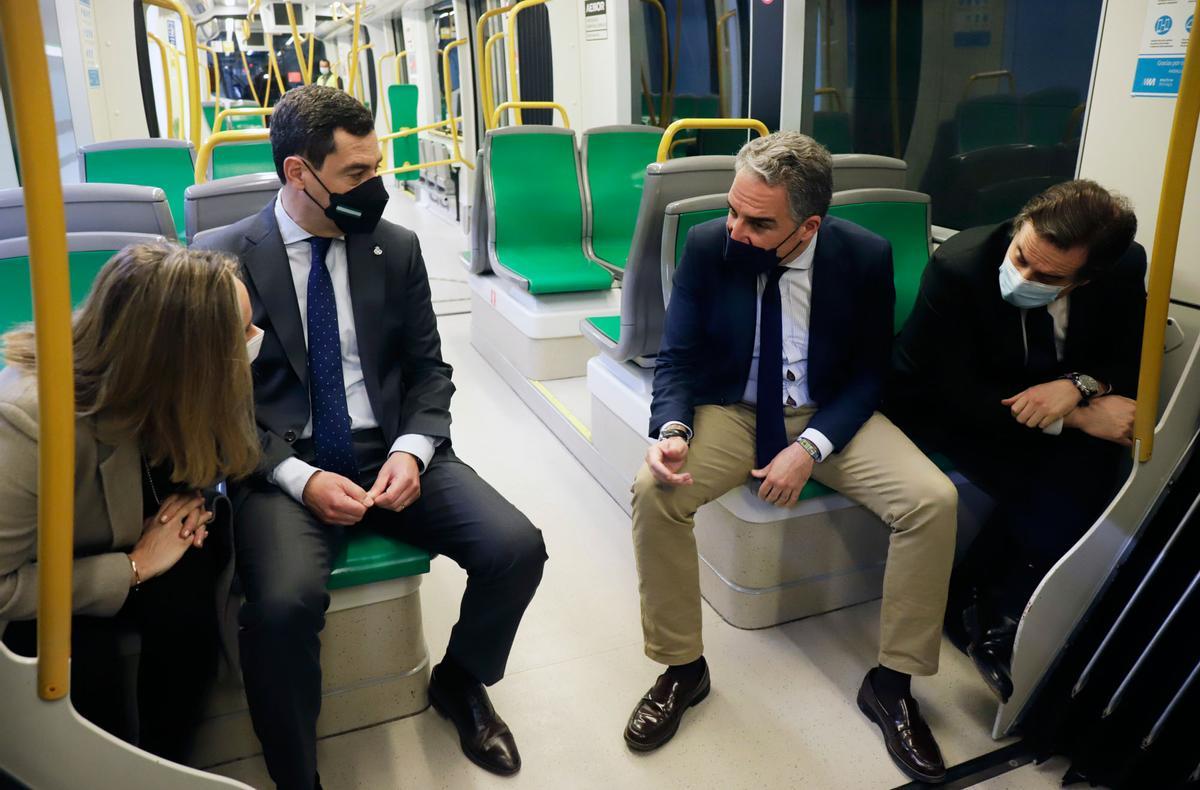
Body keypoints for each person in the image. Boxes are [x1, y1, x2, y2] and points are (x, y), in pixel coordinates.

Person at [195, 84, 546, 790]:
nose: (375, 188)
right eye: (356, 175)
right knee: (282, 608)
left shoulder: (395, 247)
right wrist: (298, 477)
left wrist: (412, 450)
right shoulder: (219, 258)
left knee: (516, 548)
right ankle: (298, 774)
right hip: (280, 463)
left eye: (375, 168)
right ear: (300, 173)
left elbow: (428, 372)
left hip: (387, 446)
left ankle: (460, 680)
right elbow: (213, 404)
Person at [624, 131, 958, 785]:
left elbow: (868, 375)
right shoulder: (706, 245)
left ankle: (893, 684)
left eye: (757, 221)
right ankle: (682, 669)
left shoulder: (864, 256)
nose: (735, 228)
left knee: (932, 500)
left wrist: (810, 449)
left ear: (809, 224)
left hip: (826, 413)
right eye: (732, 210)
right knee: (655, 492)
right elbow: (679, 355)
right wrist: (671, 429)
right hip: (732, 410)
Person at [0, 243, 262, 762]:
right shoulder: (29, 423)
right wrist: (136, 566)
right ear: (184, 359)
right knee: (87, 666)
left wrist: (187, 506)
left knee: (190, 603)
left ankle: (167, 762)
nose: (256, 343)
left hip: (121, 525)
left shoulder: (161, 385)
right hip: (38, 581)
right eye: (242, 336)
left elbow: (195, 460)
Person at [886, 179, 1145, 701]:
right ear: (1019, 226)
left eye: (1047, 275)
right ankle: (987, 615)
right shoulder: (960, 267)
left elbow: (1128, 354)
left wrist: (1079, 388)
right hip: (944, 405)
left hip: (1045, 397)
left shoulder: (1122, 269)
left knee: (1096, 467)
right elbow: (951, 390)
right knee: (1063, 472)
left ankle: (986, 608)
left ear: (1087, 278)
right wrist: (1075, 418)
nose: (1022, 276)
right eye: (1021, 256)